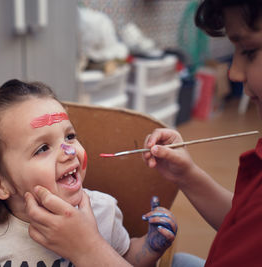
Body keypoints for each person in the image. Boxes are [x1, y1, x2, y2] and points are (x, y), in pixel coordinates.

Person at [25, 0, 262, 266]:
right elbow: (245, 221)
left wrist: (88, 249)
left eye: (250, 51)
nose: (234, 73)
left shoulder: (102, 210)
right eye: (42, 148)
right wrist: (187, 175)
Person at [0, 79, 177, 267]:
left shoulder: (104, 210)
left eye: (70, 136)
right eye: (43, 148)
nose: (69, 151)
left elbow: (124, 259)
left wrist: (150, 246)